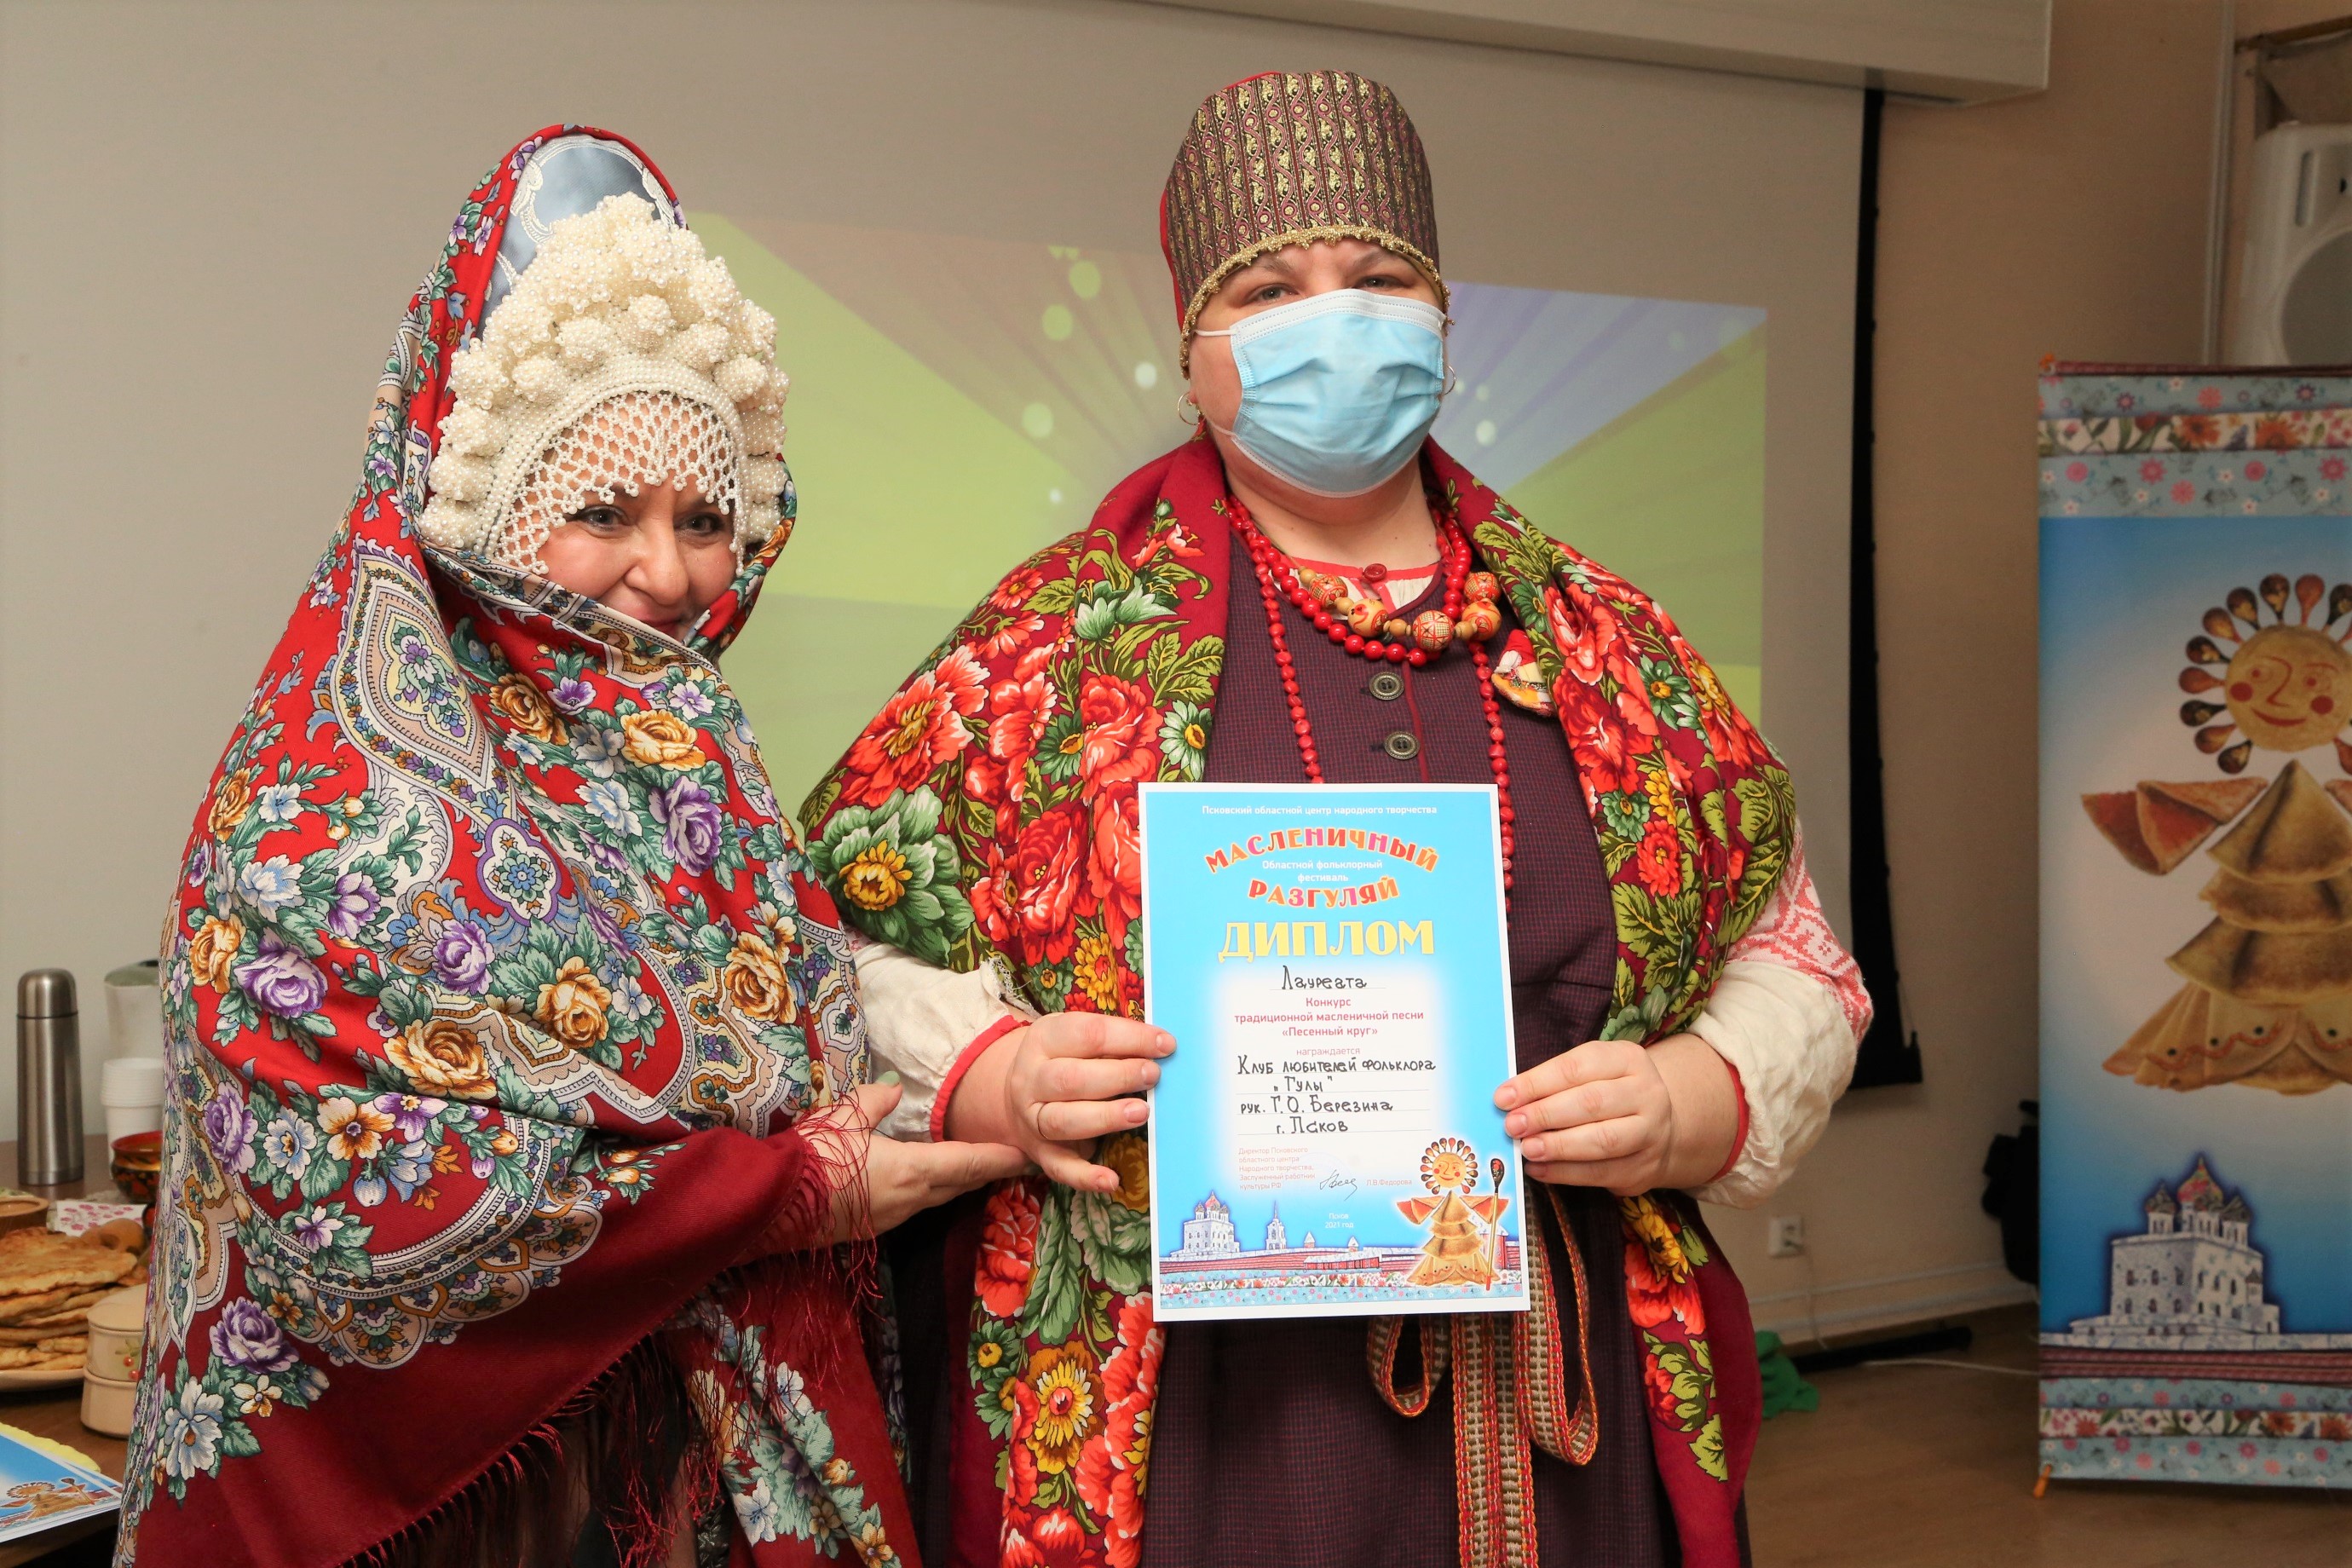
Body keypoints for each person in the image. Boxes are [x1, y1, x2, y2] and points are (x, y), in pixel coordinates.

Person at [804, 72, 1872, 1568]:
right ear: (1192, 349)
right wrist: (991, 1073)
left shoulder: (1606, 642)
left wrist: (1696, 1097)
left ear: (1442, 314)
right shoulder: (1049, 646)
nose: (1336, 320)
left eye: (1379, 278)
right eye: (1270, 289)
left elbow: (1789, 947)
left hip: (1562, 1385)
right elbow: (816, 949)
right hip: (1197, 1416)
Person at [121, 127, 1022, 1568]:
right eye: (601, 513)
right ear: (485, 505)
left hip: (703, 1484)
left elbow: (784, 1040)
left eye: (706, 518)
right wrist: (774, 1198)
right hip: (478, 1513)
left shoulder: (691, 750)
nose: (669, 574)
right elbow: (339, 1194)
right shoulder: (318, 794)